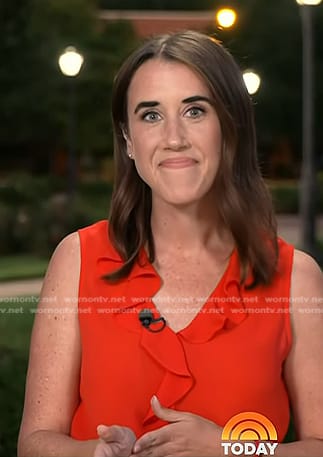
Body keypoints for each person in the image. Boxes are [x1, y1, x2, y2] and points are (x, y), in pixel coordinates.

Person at [18, 30, 323, 457]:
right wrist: (95, 453)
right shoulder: (78, 259)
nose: (174, 137)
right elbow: (35, 443)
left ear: (230, 126)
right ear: (128, 140)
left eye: (195, 111)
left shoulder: (296, 278)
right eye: (151, 115)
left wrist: (229, 450)